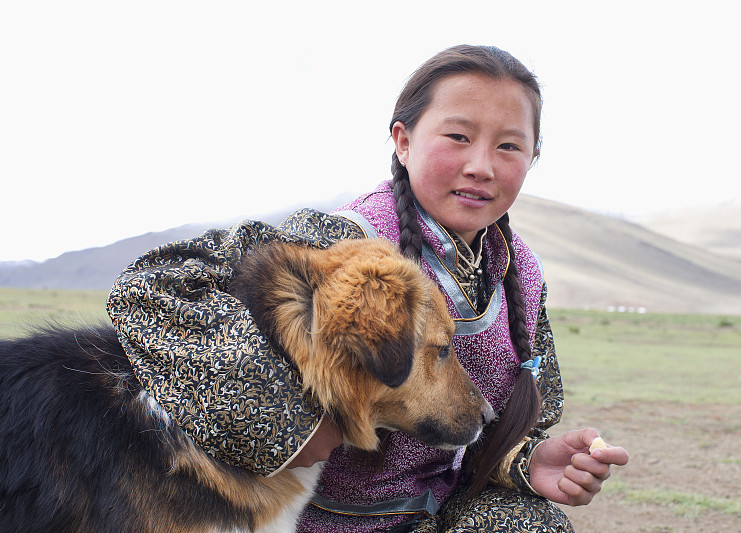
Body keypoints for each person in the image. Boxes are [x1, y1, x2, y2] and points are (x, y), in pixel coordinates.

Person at [107, 44, 629, 532]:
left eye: (509, 146)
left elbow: (492, 420)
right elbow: (151, 290)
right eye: (459, 136)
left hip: (436, 516)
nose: (481, 166)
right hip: (305, 519)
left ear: (532, 158)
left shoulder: (521, 276)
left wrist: (527, 460)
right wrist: (292, 426)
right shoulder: (341, 244)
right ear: (403, 141)